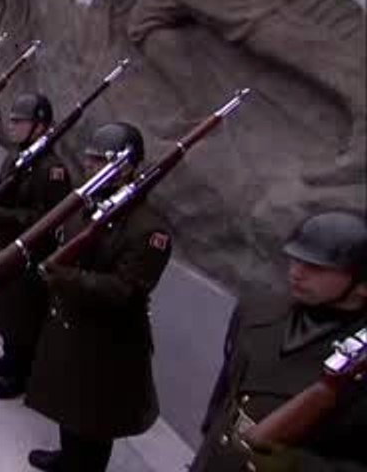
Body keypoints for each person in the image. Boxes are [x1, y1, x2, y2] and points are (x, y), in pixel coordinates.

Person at [25, 122, 171, 472]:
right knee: (69, 402)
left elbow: (125, 289)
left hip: (108, 339)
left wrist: (64, 277)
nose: (89, 166)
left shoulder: (148, 229)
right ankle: (67, 457)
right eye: (89, 160)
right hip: (71, 321)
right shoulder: (90, 203)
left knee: (94, 418)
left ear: (129, 167)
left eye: (98, 161)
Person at [189, 211, 367, 472]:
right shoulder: (258, 310)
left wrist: (293, 465)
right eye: (296, 259)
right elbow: (226, 394)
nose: (297, 272)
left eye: (316, 267)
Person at [0, 93, 72, 400]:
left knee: (24, 317)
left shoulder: (52, 169)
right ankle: (9, 358)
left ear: (40, 126)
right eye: (13, 120)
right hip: (8, 246)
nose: (13, 126)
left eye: (21, 121)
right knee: (8, 310)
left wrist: (0, 215)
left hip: (31, 254)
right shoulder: (19, 157)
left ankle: (21, 373)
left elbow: (48, 219)